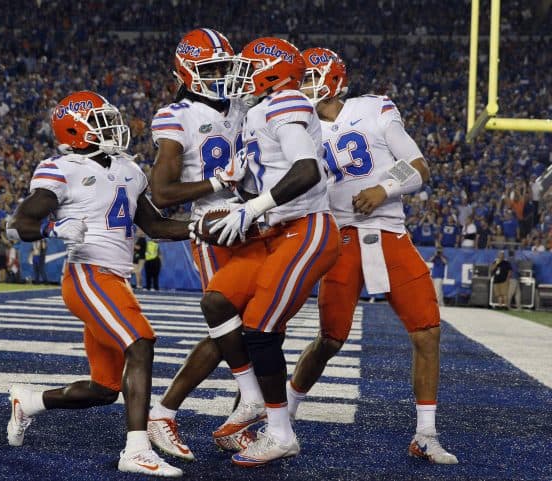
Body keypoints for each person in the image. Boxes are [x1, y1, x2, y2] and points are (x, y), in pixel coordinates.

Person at [5, 90, 190, 477]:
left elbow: (156, 227)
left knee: (105, 389)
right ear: (74, 130)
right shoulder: (62, 167)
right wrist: (53, 230)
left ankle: (31, 401)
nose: (112, 126)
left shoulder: (129, 169)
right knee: (141, 342)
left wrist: (206, 226)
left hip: (115, 280)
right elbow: (21, 223)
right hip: (87, 276)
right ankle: (136, 451)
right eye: (100, 120)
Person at [288, 48, 457, 464]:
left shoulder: (374, 108)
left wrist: (384, 189)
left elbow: (418, 165)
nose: (302, 85)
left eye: (309, 77)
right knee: (330, 339)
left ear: (334, 79)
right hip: (340, 236)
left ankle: (425, 433)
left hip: (387, 230)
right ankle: (282, 419)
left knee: (427, 331)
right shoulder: (294, 125)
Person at [197, 37, 340, 467]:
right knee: (218, 301)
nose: (239, 75)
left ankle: (280, 433)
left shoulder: (286, 102)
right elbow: (268, 170)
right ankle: (254, 399)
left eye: (248, 66)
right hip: (273, 231)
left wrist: (253, 207)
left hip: (306, 228)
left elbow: (306, 170)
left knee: (260, 330)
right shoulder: (257, 110)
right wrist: (239, 187)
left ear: (272, 70)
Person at [146, 28, 250, 460]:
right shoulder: (176, 116)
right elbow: (162, 192)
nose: (223, 76)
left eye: (226, 66)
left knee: (257, 328)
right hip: (212, 226)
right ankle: (164, 412)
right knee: (230, 327)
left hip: (250, 221)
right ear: (188, 73)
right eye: (212, 69)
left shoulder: (245, 103)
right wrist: (214, 181)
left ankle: (237, 419)